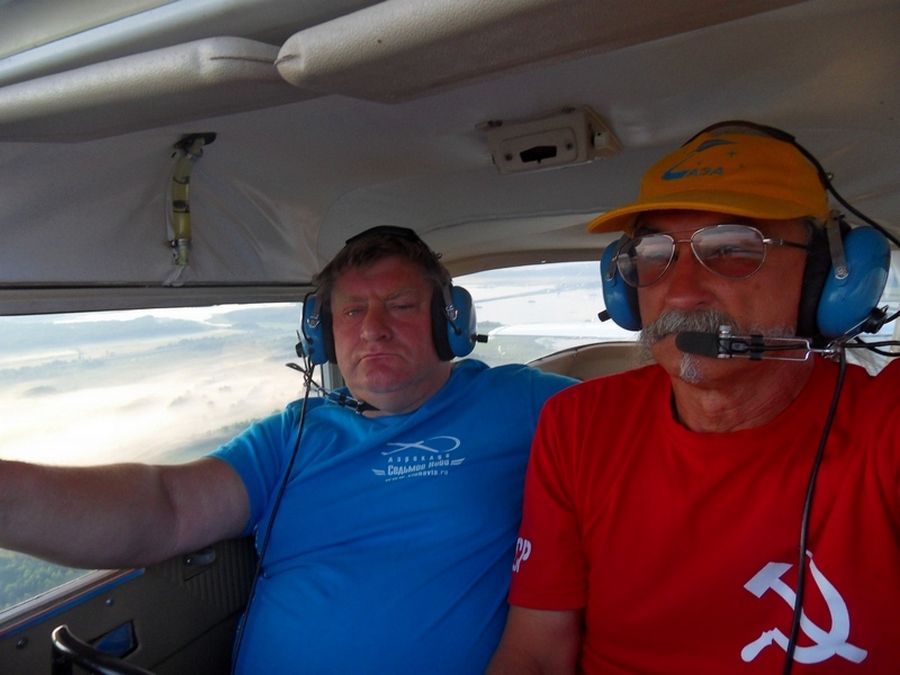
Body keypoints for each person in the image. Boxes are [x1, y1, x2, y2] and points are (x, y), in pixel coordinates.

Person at [0, 226, 576, 673]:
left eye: (401, 305)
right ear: (323, 334)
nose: (373, 328)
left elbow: (627, 427)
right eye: (352, 311)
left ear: (450, 322)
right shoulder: (293, 434)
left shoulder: (525, 401)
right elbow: (166, 506)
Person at [487, 123, 899, 674]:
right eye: (653, 254)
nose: (680, 292)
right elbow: (536, 654)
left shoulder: (884, 423)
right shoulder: (579, 422)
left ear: (828, 279)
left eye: (732, 250)